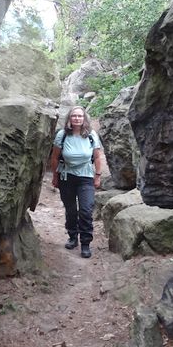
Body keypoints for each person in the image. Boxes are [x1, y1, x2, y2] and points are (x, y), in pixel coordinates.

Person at [49, 106, 102, 258]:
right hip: (66, 176)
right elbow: (54, 157)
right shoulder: (62, 135)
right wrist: (55, 176)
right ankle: (73, 237)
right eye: (74, 116)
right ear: (69, 119)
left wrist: (97, 176)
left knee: (86, 210)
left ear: (84, 118)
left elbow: (97, 157)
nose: (77, 118)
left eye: (80, 116)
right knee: (71, 209)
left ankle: (85, 243)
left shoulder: (91, 134)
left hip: (85, 177)